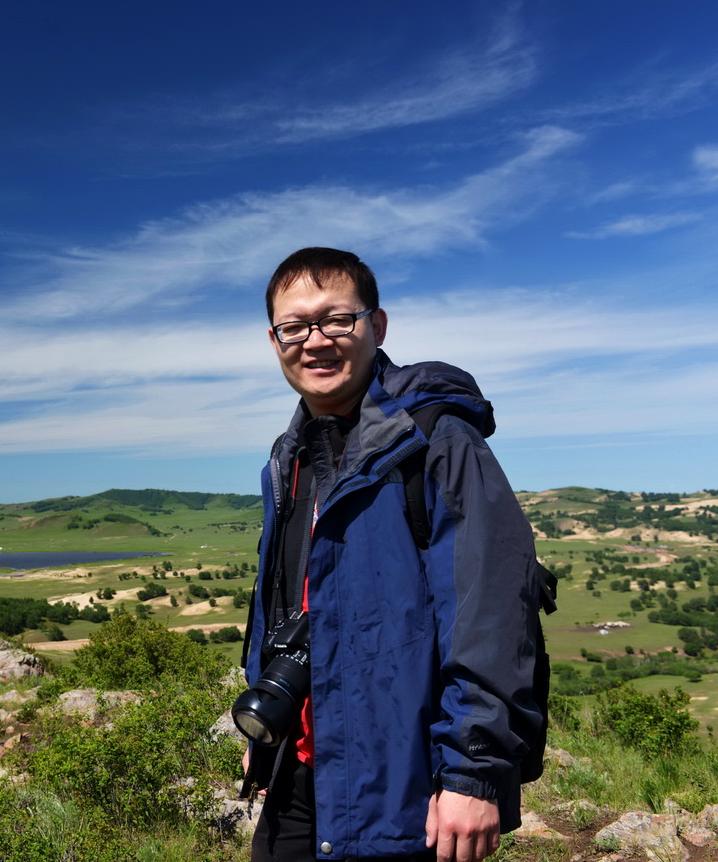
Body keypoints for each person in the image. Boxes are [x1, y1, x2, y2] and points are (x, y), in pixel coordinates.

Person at [240, 247, 544, 862]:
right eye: (294, 326)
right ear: (275, 341)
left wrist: (473, 770)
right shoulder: (289, 458)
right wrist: (266, 727)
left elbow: (491, 610)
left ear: (376, 326)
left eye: (336, 319)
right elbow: (280, 603)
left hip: (407, 784)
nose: (315, 341)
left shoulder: (435, 440)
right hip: (301, 770)